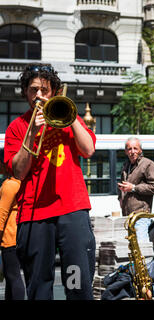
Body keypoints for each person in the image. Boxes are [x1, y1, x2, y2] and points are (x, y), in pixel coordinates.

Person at [3, 63, 96, 300]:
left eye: (45, 90)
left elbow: (88, 150)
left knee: (76, 281)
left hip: (71, 210)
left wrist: (70, 115)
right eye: (34, 90)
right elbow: (19, 171)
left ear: (54, 91)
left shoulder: (68, 119)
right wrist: (32, 132)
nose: (39, 96)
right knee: (39, 285)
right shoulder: (17, 127)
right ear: (25, 92)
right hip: (35, 215)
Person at [118, 137, 154, 217]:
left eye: (135, 148)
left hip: (141, 216)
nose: (132, 152)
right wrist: (120, 198)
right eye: (129, 149)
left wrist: (133, 188)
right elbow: (123, 187)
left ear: (140, 150)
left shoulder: (148, 164)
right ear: (126, 152)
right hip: (126, 215)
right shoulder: (126, 166)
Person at [0, 161, 25, 300]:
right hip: (19, 237)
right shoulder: (21, 183)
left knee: (13, 277)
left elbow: (1, 214)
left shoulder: (9, 185)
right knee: (11, 279)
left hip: (9, 240)